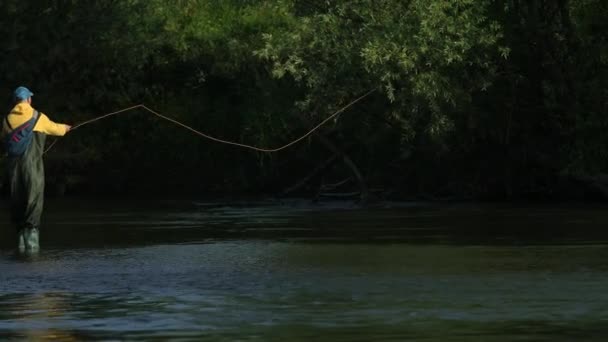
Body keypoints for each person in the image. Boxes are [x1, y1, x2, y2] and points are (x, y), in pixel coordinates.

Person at [2, 86, 71, 254]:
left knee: (17, 201)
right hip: (32, 167)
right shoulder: (37, 116)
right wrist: (66, 128)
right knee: (33, 201)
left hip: (13, 169)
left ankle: (20, 245)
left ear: (15, 101)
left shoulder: (6, 120)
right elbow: (56, 129)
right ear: (29, 100)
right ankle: (32, 250)